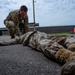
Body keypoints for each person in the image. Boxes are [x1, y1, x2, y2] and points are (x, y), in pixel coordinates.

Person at [0, 31, 75, 75]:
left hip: (35, 36)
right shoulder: (23, 35)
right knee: (65, 37)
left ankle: (70, 56)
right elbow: (14, 40)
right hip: (43, 35)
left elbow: (13, 40)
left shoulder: (23, 35)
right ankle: (71, 49)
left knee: (44, 42)